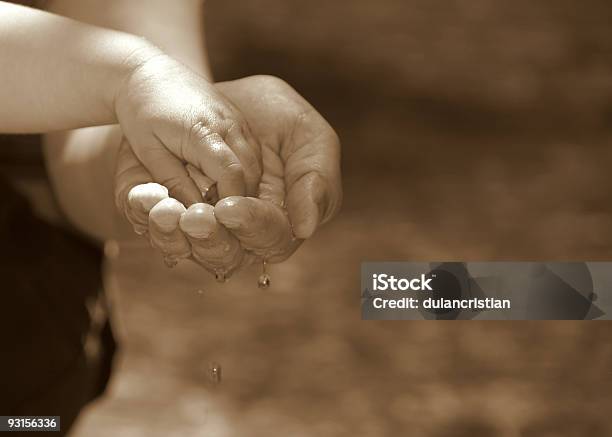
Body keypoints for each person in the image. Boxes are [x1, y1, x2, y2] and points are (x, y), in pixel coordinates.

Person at [0, 0, 342, 433]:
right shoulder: (127, 71)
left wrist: (162, 158)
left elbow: (86, 152)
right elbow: (126, 82)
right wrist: (128, 75)